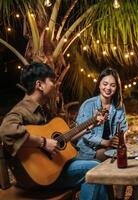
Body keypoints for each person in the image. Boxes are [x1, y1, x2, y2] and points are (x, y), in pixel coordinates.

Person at [0, 62, 108, 200]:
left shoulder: (43, 109)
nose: (56, 85)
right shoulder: (22, 110)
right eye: (52, 81)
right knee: (94, 169)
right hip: (39, 176)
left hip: (55, 168)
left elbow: (61, 140)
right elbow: (5, 131)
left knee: (97, 165)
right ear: (39, 85)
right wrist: (42, 142)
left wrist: (87, 128)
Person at [75, 67, 128, 200]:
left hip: (110, 148)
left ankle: (118, 196)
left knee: (124, 157)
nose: (108, 88)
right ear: (99, 84)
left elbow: (124, 128)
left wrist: (121, 139)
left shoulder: (119, 106)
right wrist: (106, 142)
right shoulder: (89, 105)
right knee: (114, 160)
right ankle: (114, 197)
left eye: (112, 85)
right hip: (88, 150)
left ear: (117, 87)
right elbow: (84, 133)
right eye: (105, 84)